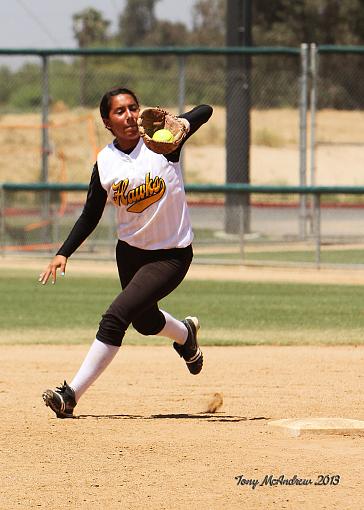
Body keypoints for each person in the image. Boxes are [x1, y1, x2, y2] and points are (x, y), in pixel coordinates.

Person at [40, 87, 213, 418]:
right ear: (107, 122)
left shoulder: (165, 145)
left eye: (133, 107)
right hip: (130, 254)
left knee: (116, 316)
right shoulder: (105, 161)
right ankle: (186, 335)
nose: (130, 115)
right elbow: (91, 214)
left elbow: (205, 110)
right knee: (145, 322)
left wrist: (180, 125)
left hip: (170, 255)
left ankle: (71, 395)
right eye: (120, 111)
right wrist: (64, 252)